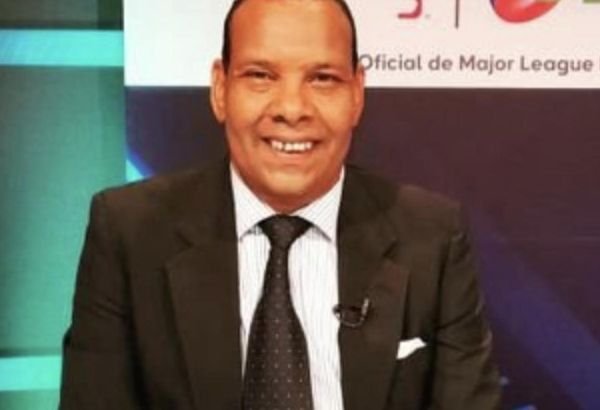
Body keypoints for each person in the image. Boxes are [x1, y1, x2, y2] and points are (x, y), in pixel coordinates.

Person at [59, 0, 502, 409]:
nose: (291, 109)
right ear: (220, 88)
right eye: (260, 75)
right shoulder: (130, 231)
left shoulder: (431, 237)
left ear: (357, 93)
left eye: (322, 78)